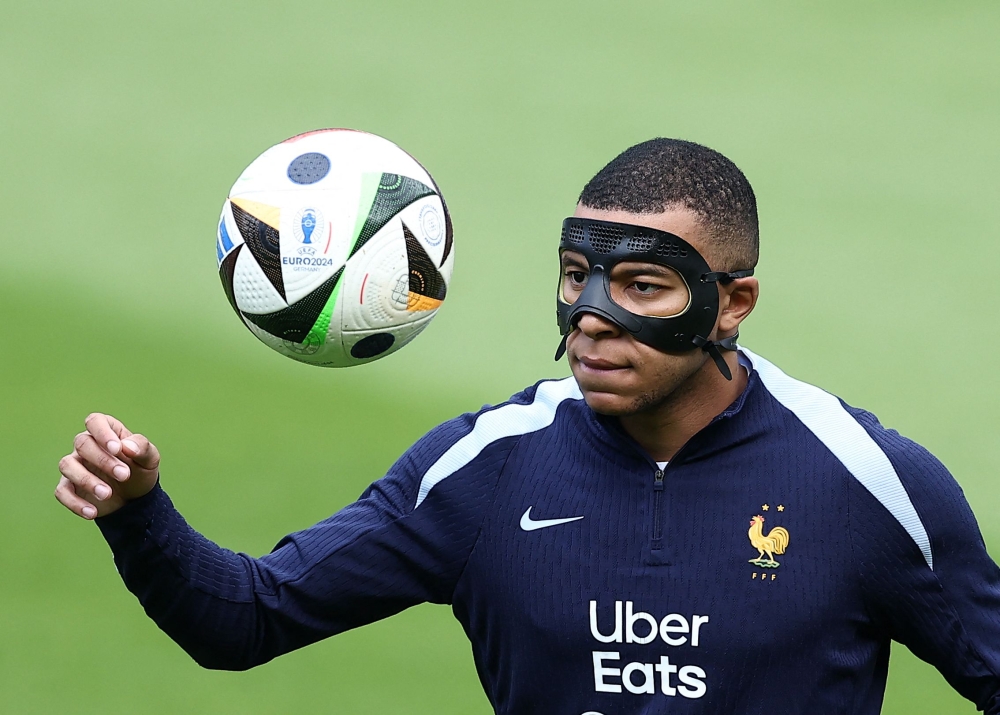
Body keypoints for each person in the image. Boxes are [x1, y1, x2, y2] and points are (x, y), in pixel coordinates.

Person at [55, 139, 1000, 714]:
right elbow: (246, 618)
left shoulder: (870, 486)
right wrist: (138, 510)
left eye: (641, 285)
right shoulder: (486, 471)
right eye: (575, 274)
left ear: (731, 302)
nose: (591, 314)